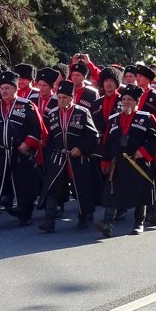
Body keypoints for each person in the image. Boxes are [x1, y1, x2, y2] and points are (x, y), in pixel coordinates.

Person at [0, 70, 43, 227]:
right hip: (0, 152)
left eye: (8, 88)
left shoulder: (26, 105)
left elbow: (36, 128)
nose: (4, 91)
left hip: (20, 152)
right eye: (2, 88)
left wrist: (27, 143)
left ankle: (25, 214)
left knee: (24, 184)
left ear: (15, 89)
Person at [98, 85, 156, 236]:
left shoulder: (146, 118)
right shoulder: (113, 120)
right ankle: (108, 224)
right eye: (124, 99)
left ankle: (138, 223)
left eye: (130, 100)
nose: (126, 102)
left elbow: (155, 139)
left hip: (137, 163)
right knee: (112, 193)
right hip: (118, 163)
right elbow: (107, 143)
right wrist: (105, 161)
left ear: (136, 102)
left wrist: (143, 151)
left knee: (140, 193)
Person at [38, 80, 100, 233]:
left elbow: (93, 136)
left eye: (64, 97)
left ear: (72, 97)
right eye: (59, 97)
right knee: (53, 187)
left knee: (81, 187)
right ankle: (49, 220)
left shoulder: (82, 112)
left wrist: (81, 149)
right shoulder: (52, 113)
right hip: (59, 157)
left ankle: (85, 215)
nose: (61, 100)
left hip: (78, 157)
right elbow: (49, 137)